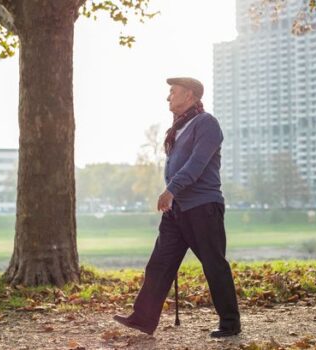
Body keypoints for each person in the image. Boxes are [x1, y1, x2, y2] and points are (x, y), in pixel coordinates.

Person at [114, 77, 241, 338]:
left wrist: (171, 190)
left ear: (191, 95)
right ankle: (143, 318)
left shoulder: (207, 124)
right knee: (159, 264)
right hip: (178, 210)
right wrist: (173, 196)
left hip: (203, 207)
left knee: (213, 264)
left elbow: (196, 164)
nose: (168, 97)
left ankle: (230, 323)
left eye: (173, 92)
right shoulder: (178, 128)